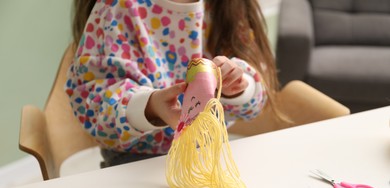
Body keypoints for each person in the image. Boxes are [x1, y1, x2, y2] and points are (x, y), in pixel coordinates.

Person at [66, 0, 279, 167]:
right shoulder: (117, 8)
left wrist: (236, 87)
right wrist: (151, 107)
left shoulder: (228, 7)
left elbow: (257, 97)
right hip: (135, 161)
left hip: (208, 152)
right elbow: (92, 103)